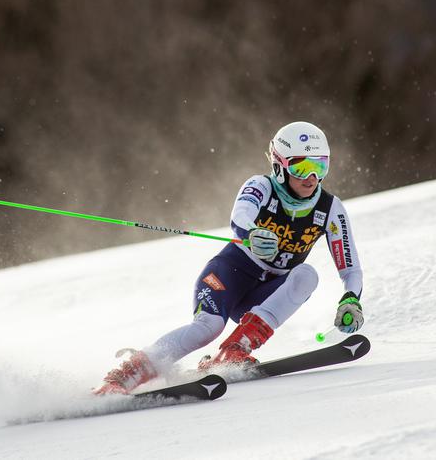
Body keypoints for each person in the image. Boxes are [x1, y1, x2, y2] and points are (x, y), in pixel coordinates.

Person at [94, 121, 364, 395]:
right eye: (301, 167)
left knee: (307, 275)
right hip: (229, 274)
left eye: (320, 166)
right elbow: (240, 216)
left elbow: (350, 267)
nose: (311, 177)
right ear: (280, 167)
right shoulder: (261, 186)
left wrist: (351, 298)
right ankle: (123, 376)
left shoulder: (330, 209)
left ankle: (235, 350)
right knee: (207, 328)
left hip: (263, 294)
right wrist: (252, 232)